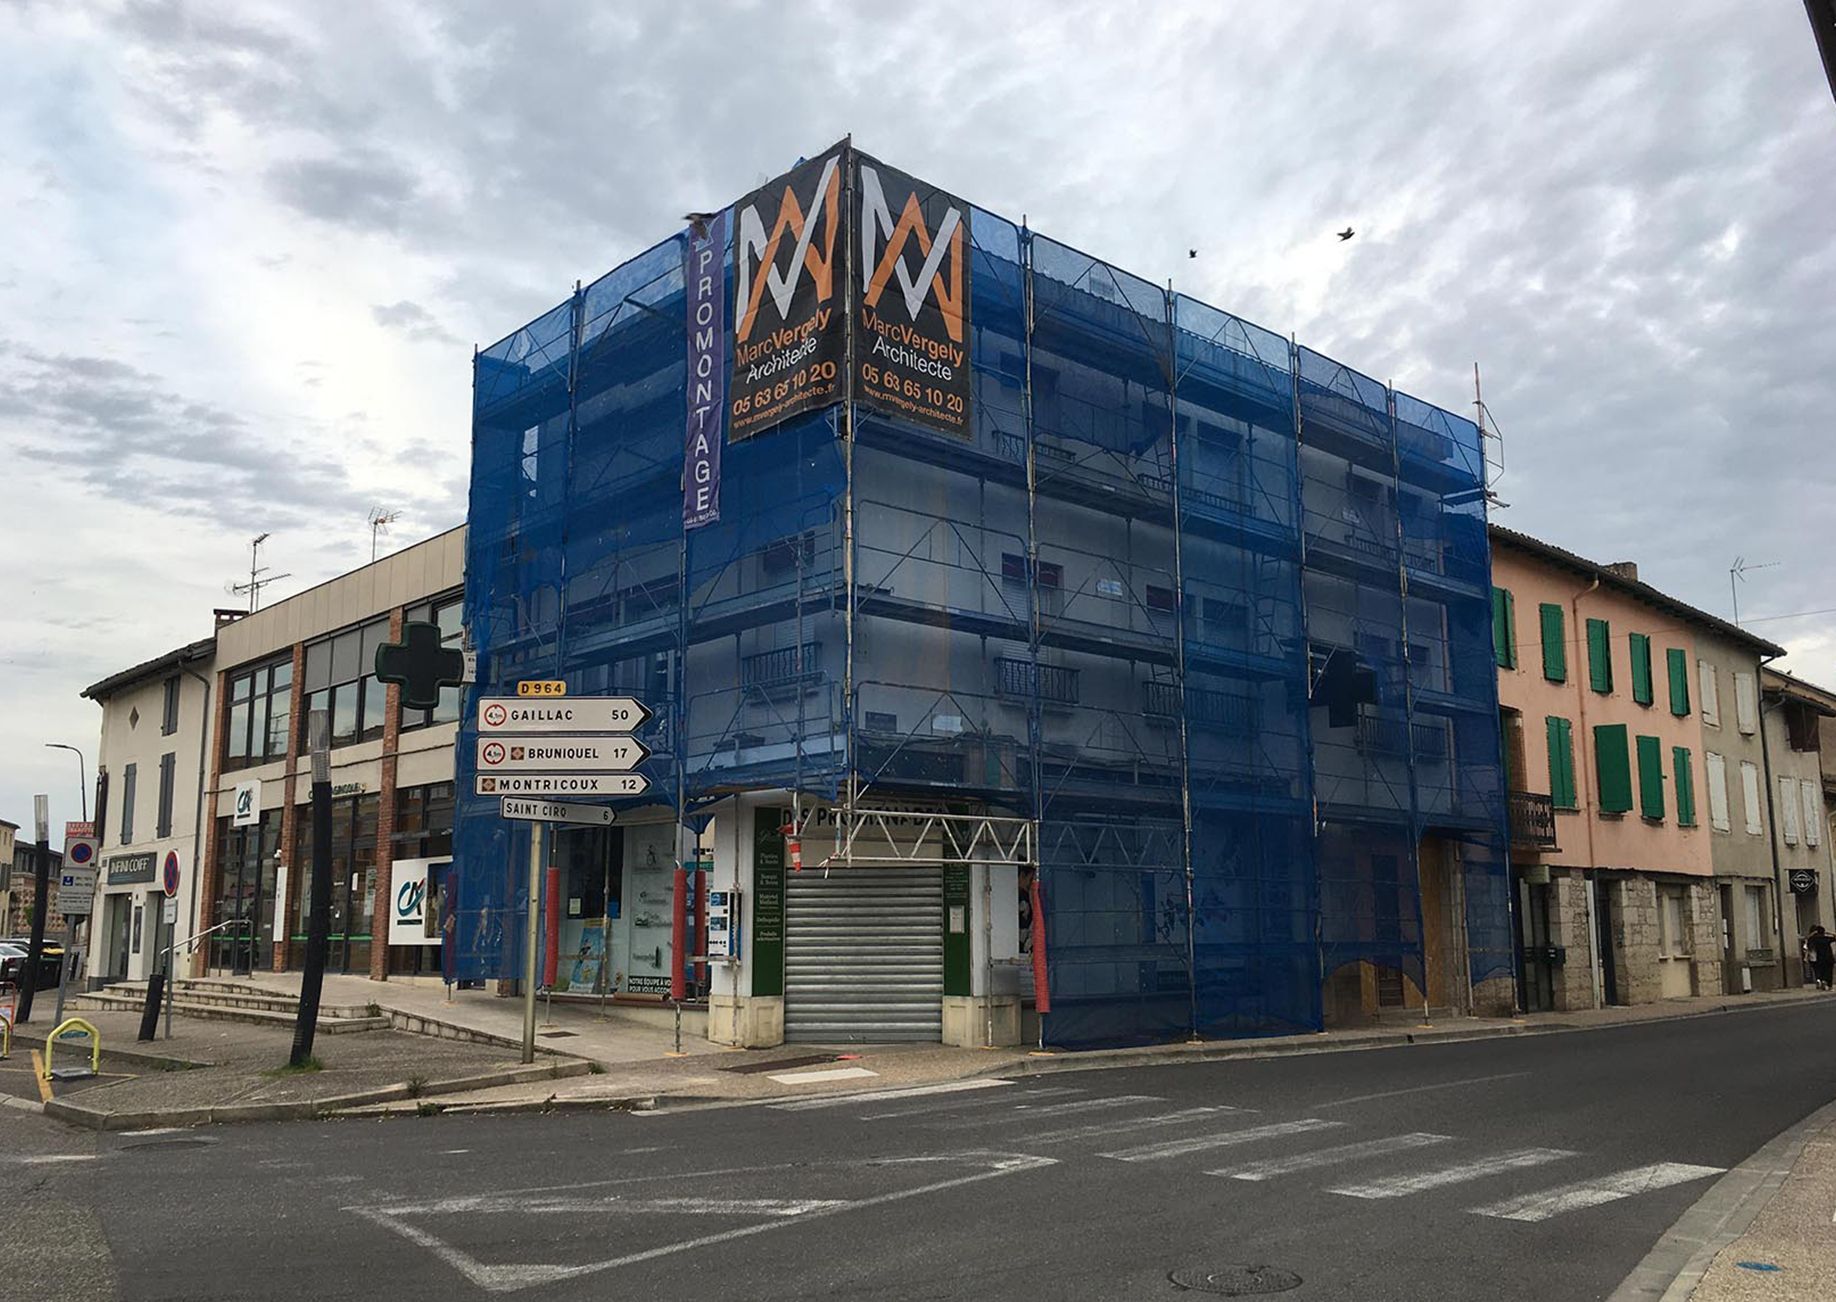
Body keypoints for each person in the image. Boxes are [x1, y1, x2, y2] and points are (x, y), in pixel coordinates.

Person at [1805, 925, 1835, 992]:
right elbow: (1835, 937)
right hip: (1829, 958)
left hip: (1819, 958)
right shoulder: (1826, 938)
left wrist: (1812, 934)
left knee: (1820, 971)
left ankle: (1820, 980)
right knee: (1829, 972)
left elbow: (1808, 939)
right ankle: (1828, 985)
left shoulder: (1814, 939)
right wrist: (1829, 933)